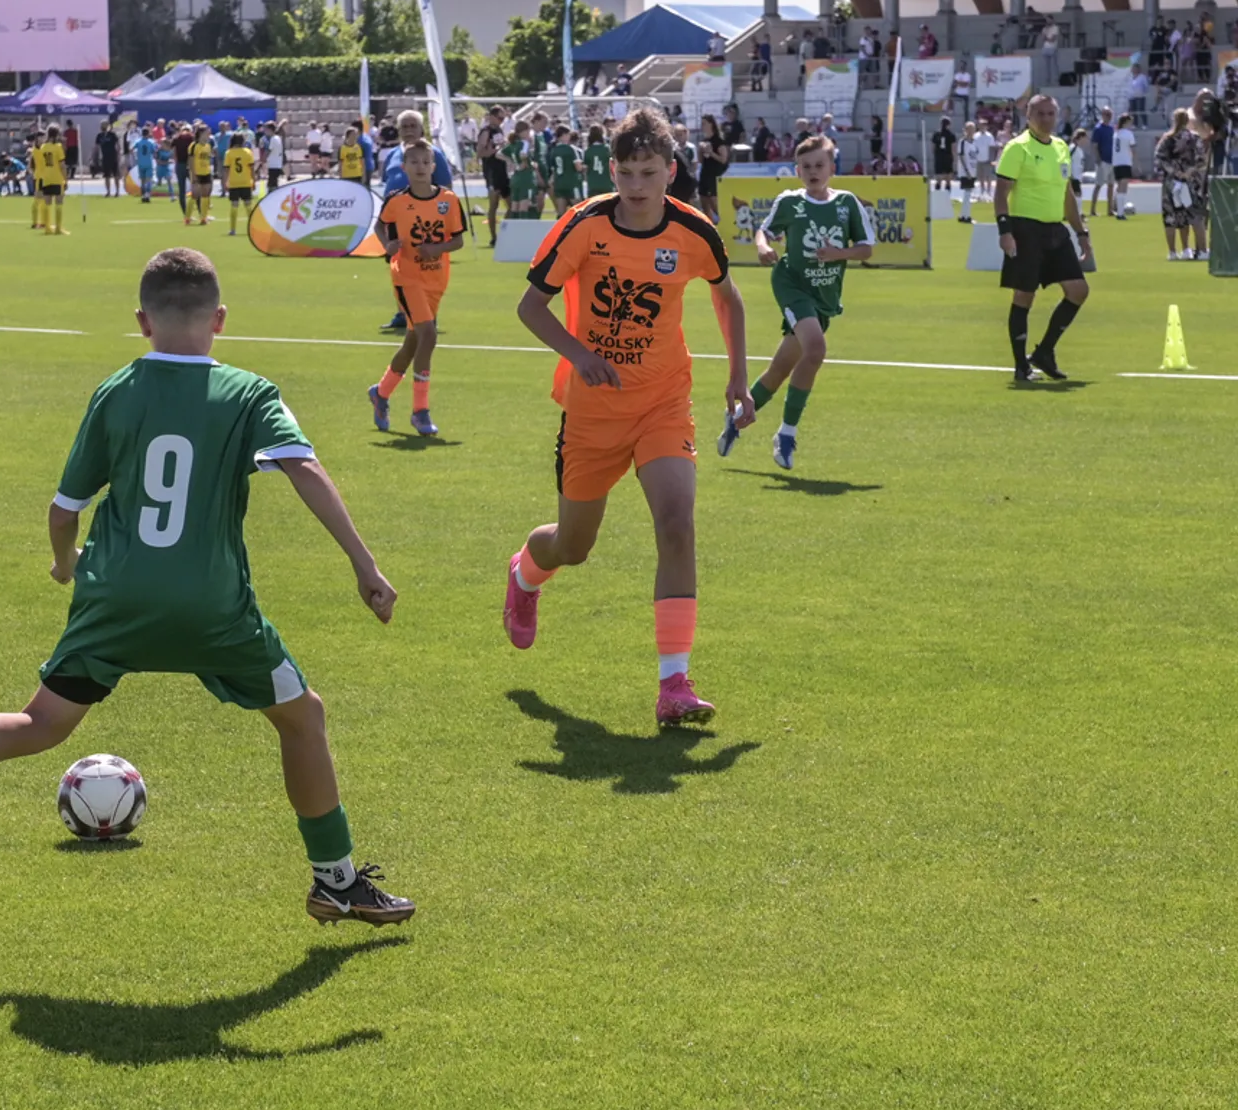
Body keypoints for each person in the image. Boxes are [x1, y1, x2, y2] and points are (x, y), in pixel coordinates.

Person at [0, 248, 416, 927]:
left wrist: (64, 564)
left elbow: (63, 512)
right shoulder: (249, 392)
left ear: (143, 322)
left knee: (41, 722)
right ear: (220, 319)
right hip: (212, 608)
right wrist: (364, 564)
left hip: (114, 599)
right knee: (301, 717)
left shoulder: (116, 391)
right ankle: (336, 882)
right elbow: (304, 468)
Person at [501, 107, 752, 728]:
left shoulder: (694, 233)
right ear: (613, 171)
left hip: (664, 401)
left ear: (671, 172)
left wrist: (739, 379)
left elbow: (728, 297)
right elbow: (530, 307)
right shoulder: (584, 225)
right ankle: (527, 573)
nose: (638, 185)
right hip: (592, 413)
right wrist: (579, 355)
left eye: (650, 172)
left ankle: (674, 684)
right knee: (573, 546)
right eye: (627, 172)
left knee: (676, 524)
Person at [717, 135, 873, 471]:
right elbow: (765, 231)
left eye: (819, 165)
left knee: (780, 369)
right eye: (806, 166)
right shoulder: (790, 202)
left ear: (832, 167)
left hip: (824, 296)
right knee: (815, 349)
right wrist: (761, 247)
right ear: (797, 170)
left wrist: (839, 254)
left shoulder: (847, 203)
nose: (813, 171)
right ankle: (786, 435)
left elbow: (866, 248)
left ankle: (738, 417)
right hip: (792, 284)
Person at [368, 142, 466, 439]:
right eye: (415, 162)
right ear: (404, 167)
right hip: (406, 277)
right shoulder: (397, 201)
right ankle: (420, 411)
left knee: (413, 343)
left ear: (433, 167)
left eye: (426, 162)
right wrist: (389, 246)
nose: (421, 167)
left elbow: (457, 240)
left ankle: (381, 392)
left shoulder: (448, 200)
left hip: (436, 280)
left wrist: (437, 248)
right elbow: (380, 226)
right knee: (429, 335)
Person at [995, 93, 1093, 381]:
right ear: (1029, 116)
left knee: (1078, 290)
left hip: (1056, 231)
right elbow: (1001, 193)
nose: (1047, 119)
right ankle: (1020, 366)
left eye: (1051, 114)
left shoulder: (1062, 147)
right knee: (1025, 296)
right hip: (1026, 230)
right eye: (1041, 114)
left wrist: (1081, 233)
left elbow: (1067, 195)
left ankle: (1044, 352)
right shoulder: (1017, 148)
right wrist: (1005, 232)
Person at [1155, 105, 1209, 261]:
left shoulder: (1166, 138)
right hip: (1192, 182)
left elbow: (1159, 159)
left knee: (1171, 217)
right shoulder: (1195, 138)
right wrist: (1189, 172)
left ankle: (1174, 252)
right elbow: (1202, 161)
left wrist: (1174, 172)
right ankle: (1201, 250)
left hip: (1171, 182)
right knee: (1195, 216)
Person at [31, 124, 69, 236]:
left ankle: (47, 228)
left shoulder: (43, 147)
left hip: (45, 177)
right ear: (56, 134)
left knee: (47, 202)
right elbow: (62, 165)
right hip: (56, 177)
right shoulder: (58, 147)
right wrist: (65, 179)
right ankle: (58, 228)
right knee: (59, 202)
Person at [222, 131, 257, 236]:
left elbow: (226, 170)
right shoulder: (248, 152)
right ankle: (253, 228)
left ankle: (233, 229)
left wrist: (225, 182)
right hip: (245, 182)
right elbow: (251, 169)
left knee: (234, 205)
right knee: (248, 205)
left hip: (234, 182)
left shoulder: (229, 153)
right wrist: (254, 181)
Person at [697, 113, 728, 223]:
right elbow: (701, 160)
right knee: (704, 202)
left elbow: (723, 159)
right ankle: (710, 227)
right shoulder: (704, 140)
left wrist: (711, 153)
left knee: (714, 203)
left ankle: (726, 223)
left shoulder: (718, 140)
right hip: (704, 173)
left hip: (714, 175)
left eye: (704, 123)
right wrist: (700, 150)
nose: (702, 126)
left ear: (711, 124)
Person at [546, 123, 582, 218]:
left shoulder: (554, 150)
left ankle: (560, 232)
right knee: (578, 211)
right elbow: (578, 167)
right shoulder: (571, 149)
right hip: (571, 183)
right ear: (563, 135)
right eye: (568, 134)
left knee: (561, 213)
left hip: (559, 183)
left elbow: (554, 169)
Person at [1086, 109, 1115, 219]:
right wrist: (1098, 158)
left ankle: (1110, 209)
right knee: (1098, 185)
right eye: (1107, 114)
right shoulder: (1099, 129)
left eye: (1110, 114)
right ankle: (1092, 209)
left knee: (1111, 185)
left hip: (1112, 160)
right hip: (1103, 160)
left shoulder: (1111, 128)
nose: (1108, 116)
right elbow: (1094, 145)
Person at [187, 123, 215, 226]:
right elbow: (191, 161)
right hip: (197, 173)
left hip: (206, 172)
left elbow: (207, 160)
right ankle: (187, 218)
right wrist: (193, 174)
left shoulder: (208, 146)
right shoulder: (194, 146)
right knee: (194, 195)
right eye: (207, 133)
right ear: (201, 133)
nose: (208, 135)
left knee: (205, 195)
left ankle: (203, 218)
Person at [954, 121, 980, 224]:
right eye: (969, 129)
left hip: (973, 170)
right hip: (966, 172)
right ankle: (966, 216)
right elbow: (961, 156)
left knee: (968, 193)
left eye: (973, 129)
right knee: (967, 193)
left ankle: (963, 215)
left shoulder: (974, 142)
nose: (971, 131)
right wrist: (966, 171)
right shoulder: (963, 142)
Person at [583, 123, 614, 201]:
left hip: (593, 184)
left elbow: (586, 170)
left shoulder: (588, 151)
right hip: (607, 183)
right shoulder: (607, 149)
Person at [95, 119, 120, 197]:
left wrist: (118, 155)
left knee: (116, 175)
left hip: (113, 156)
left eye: (104, 125)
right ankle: (108, 192)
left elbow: (118, 145)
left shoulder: (112, 134)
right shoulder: (99, 136)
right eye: (102, 125)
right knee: (107, 176)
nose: (103, 126)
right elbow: (97, 146)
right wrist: (96, 156)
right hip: (105, 157)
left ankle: (117, 192)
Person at [931, 117, 957, 190]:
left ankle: (937, 190)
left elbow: (933, 147)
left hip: (939, 156)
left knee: (938, 175)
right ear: (948, 125)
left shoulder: (936, 134)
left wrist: (936, 154)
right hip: (948, 156)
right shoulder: (951, 135)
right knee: (948, 176)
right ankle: (947, 191)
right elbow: (953, 148)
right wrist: (954, 158)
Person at [263, 122, 286, 193]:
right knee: (274, 182)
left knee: (271, 184)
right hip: (277, 164)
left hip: (273, 165)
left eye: (266, 129)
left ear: (270, 129)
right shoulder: (278, 138)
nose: (264, 131)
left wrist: (263, 159)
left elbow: (269, 150)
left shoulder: (273, 139)